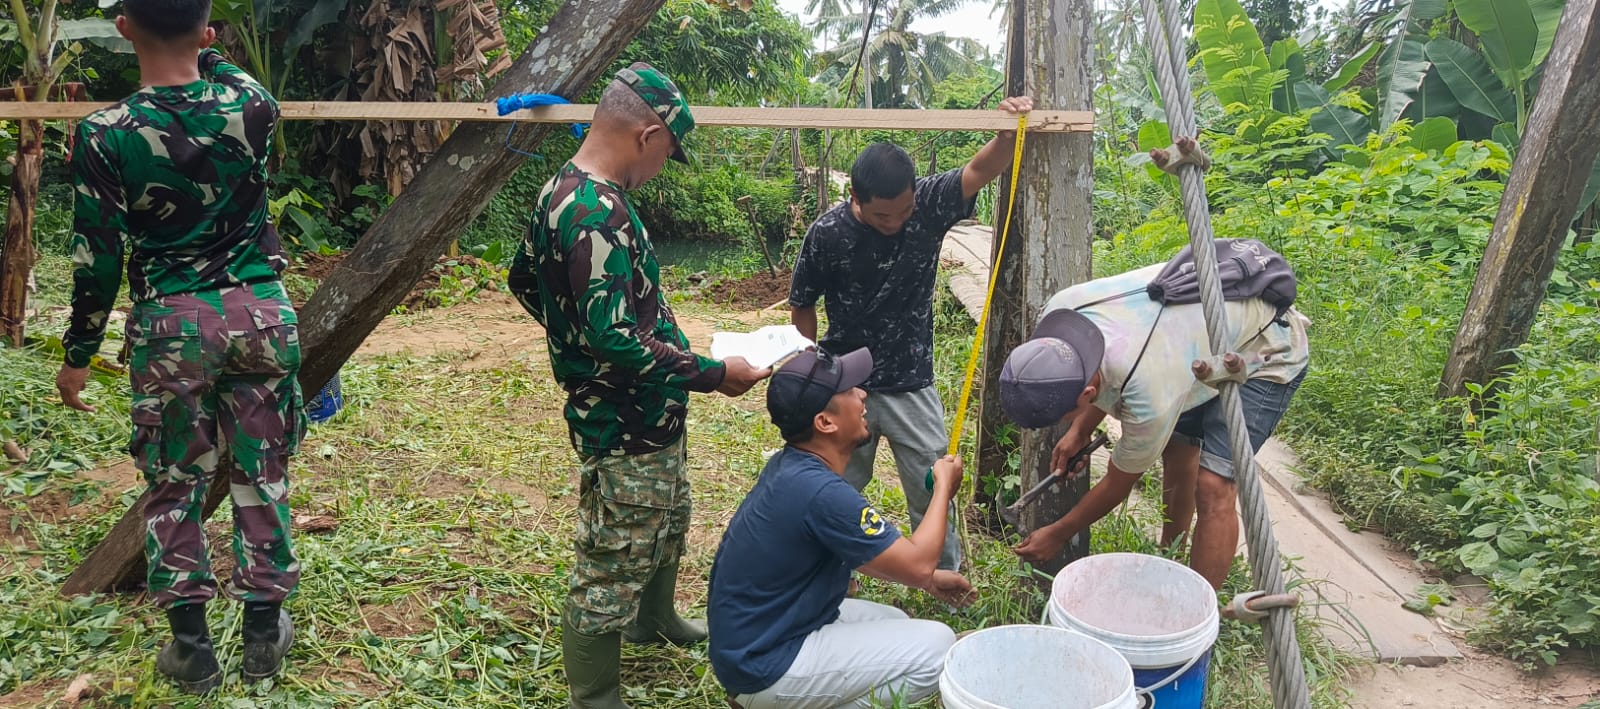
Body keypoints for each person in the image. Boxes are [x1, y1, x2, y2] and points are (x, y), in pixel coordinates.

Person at [54, 0, 302, 694]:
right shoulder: (253, 105)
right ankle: (263, 635)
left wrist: (79, 351)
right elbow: (224, 69)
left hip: (171, 326)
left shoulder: (104, 134)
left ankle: (192, 649)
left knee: (175, 482)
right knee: (262, 468)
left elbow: (96, 260)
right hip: (260, 314)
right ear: (208, 33)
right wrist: (207, 46)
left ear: (123, 27)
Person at [506, 62, 769, 709]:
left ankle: (655, 619)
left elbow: (522, 279)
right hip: (621, 419)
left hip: (649, 411)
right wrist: (713, 374)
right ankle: (594, 694)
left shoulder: (565, 192)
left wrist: (569, 331)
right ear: (648, 134)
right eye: (666, 155)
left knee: (667, 516)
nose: (659, 170)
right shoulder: (594, 210)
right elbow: (615, 337)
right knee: (612, 556)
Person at [787, 96, 1034, 572]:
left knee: (933, 485)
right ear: (855, 199)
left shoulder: (927, 204)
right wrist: (812, 368)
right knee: (836, 488)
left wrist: (1006, 133)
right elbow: (803, 305)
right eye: (884, 217)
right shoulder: (827, 234)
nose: (897, 222)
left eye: (904, 211)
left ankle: (945, 577)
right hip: (844, 382)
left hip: (911, 383)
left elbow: (981, 170)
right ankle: (831, 576)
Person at [999, 255, 1309, 589]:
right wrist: (1081, 429)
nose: (1062, 422)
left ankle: (1196, 612)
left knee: (1214, 485)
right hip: (1186, 347)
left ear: (1087, 392)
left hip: (1265, 350)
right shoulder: (1060, 315)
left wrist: (1059, 533)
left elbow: (1120, 482)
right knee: (1177, 449)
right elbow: (1110, 367)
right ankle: (1170, 556)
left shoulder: (1150, 395)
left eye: (1065, 416)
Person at [708, 348, 974, 709]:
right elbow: (918, 563)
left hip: (756, 642)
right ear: (825, 423)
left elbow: (867, 554)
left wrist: (927, 581)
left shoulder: (794, 467)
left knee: (895, 621)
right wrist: (944, 487)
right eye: (850, 391)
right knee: (937, 647)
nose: (863, 394)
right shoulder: (821, 492)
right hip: (765, 664)